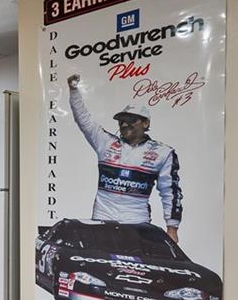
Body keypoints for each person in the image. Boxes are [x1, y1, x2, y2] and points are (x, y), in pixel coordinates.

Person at [67, 74, 182, 242]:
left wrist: (172, 229)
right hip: (102, 218)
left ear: (145, 124)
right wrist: (73, 90)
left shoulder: (163, 152)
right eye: (121, 121)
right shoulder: (105, 142)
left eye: (131, 120)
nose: (124, 124)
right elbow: (84, 120)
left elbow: (170, 191)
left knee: (135, 266)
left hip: (136, 221)